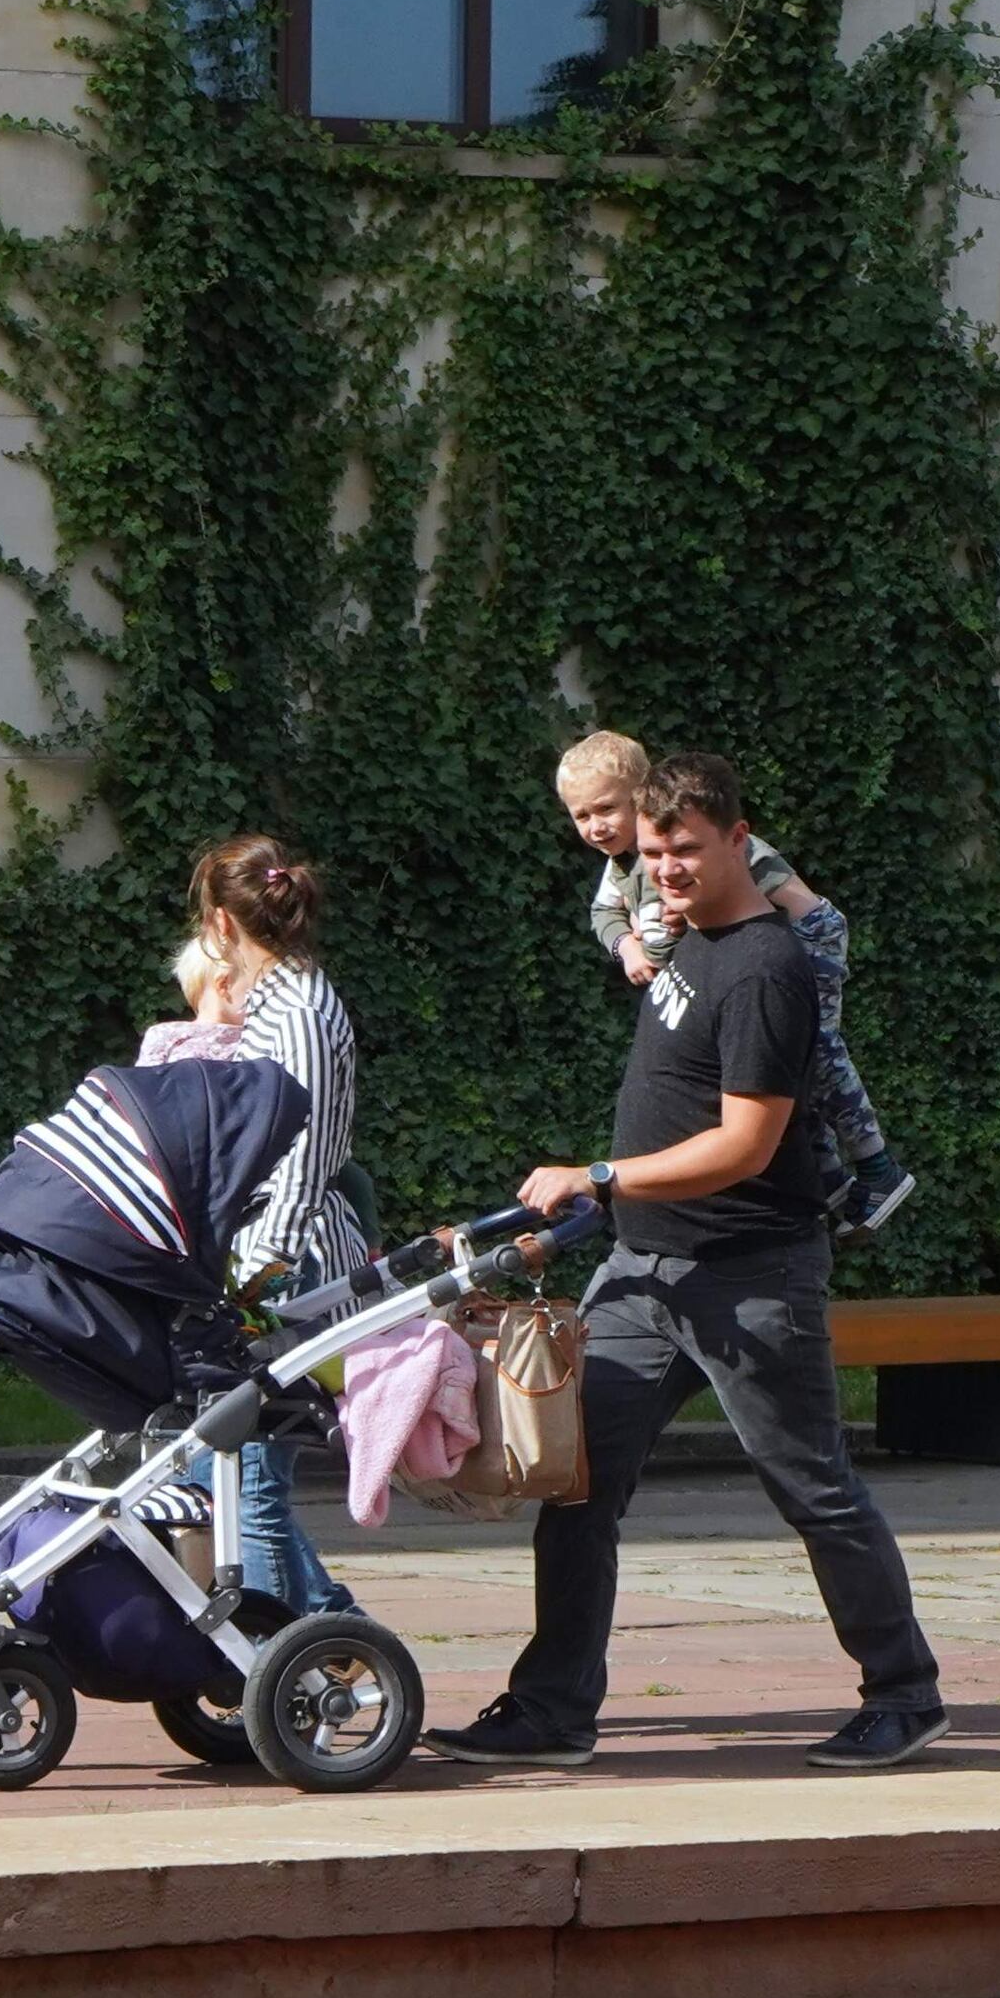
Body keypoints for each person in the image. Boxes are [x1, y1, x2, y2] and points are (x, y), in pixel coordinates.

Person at [433, 749, 946, 1772]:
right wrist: (602, 1204)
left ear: (738, 840)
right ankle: (552, 1708)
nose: (665, 868)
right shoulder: (688, 942)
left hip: (749, 1277)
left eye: (686, 849)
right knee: (575, 1483)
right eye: (653, 850)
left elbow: (745, 1145)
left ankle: (903, 1694)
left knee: (813, 1489)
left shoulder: (762, 967)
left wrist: (599, 1173)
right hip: (642, 1271)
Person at [552, 728, 913, 1233]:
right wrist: (626, 945)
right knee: (771, 1077)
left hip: (808, 935)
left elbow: (715, 910)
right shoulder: (624, 864)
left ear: (643, 797)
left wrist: (672, 925)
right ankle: (832, 1186)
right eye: (581, 816)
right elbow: (604, 912)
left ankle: (876, 1166)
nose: (595, 827)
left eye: (607, 809)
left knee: (815, 1054)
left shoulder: (696, 838)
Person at [189, 836, 359, 1620]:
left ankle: (285, 1652)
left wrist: (259, 1280)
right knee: (219, 1471)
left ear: (223, 922)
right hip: (265, 1255)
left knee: (250, 1475)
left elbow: (301, 1161)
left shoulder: (298, 1012)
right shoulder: (278, 1004)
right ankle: (332, 1634)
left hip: (286, 1261)